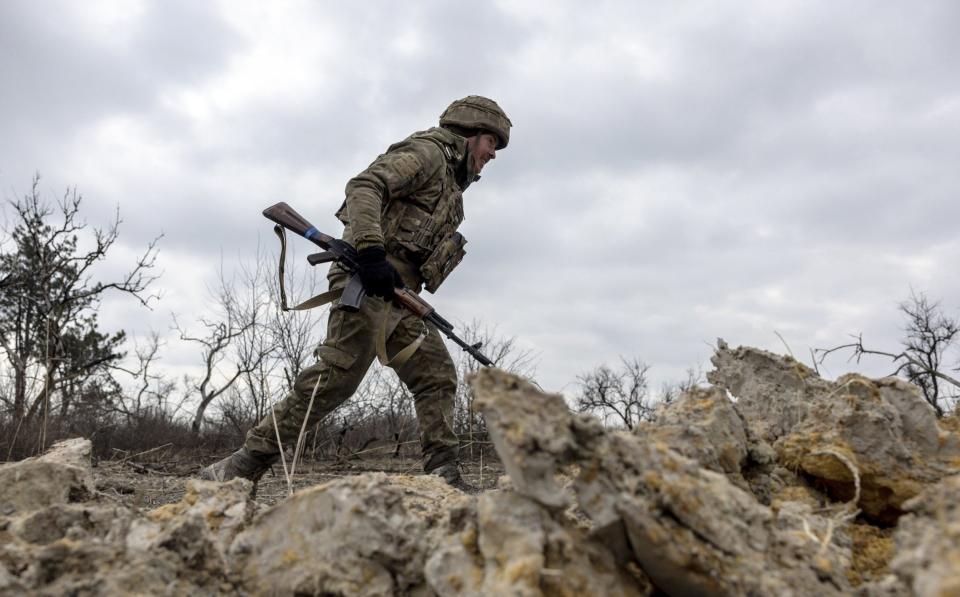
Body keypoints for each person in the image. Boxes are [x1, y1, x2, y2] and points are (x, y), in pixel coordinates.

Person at [200, 96, 511, 490]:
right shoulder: (428, 153)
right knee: (336, 379)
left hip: (399, 295)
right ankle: (239, 468)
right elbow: (365, 186)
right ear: (470, 134)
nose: (493, 154)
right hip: (367, 280)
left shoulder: (453, 185)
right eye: (491, 143)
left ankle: (444, 477)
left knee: (436, 375)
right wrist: (371, 251)